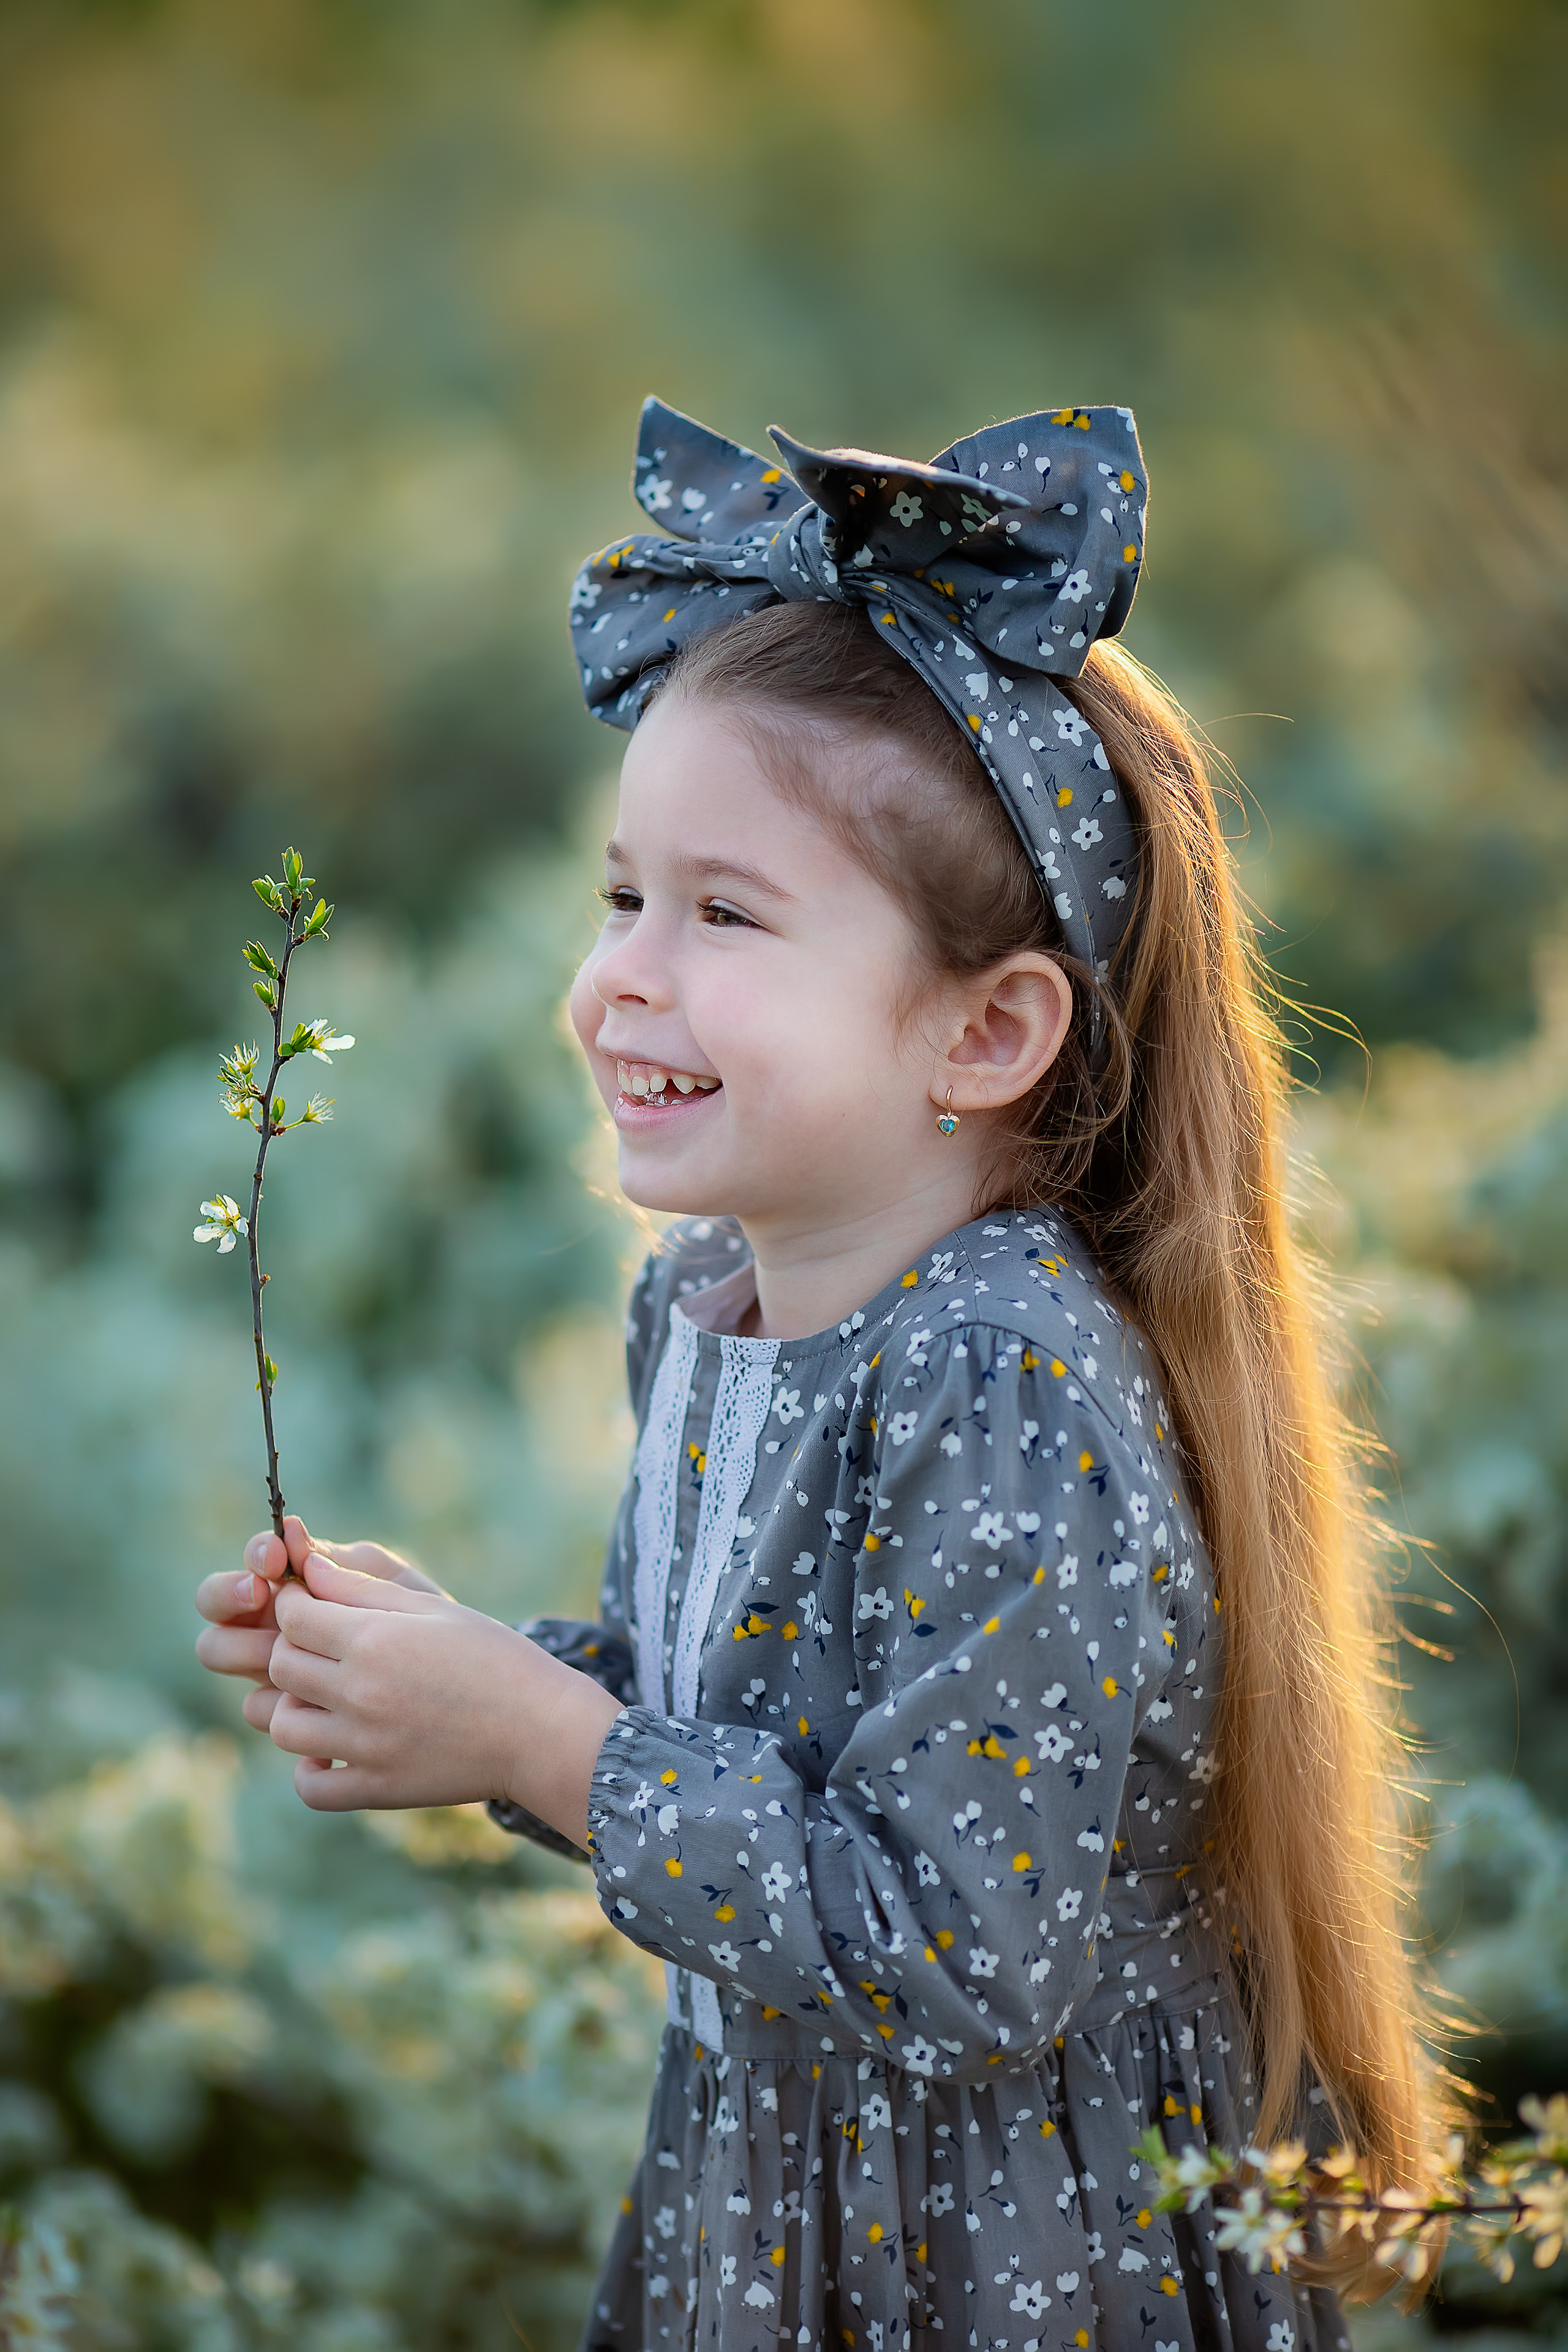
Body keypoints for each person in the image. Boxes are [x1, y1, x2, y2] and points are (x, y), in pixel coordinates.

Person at [195, 399, 1442, 2351]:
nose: (624, 973)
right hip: (774, 2206)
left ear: (986, 1034)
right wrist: (460, 1676)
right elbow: (764, 1751)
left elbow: (959, 1944)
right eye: (623, 895)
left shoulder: (1001, 1383)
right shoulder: (708, 1302)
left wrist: (543, 1739)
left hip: (1001, 2250)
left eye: (727, 914)